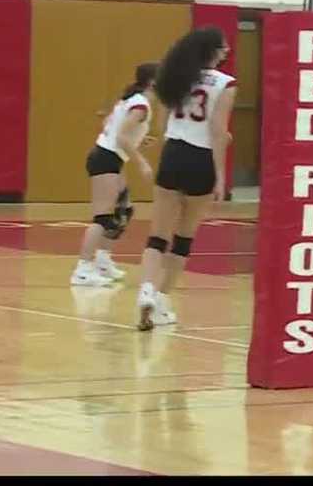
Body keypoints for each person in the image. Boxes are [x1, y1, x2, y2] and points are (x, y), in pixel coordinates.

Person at [136, 28, 235, 330]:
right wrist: (220, 177)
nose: (226, 52)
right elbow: (218, 132)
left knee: (157, 236)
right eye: (224, 48)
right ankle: (162, 301)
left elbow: (167, 123)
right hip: (201, 160)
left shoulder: (178, 75)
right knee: (183, 237)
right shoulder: (225, 84)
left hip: (173, 154)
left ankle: (146, 291)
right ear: (214, 51)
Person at [71, 63, 158, 287]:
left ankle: (102, 261)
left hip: (111, 157)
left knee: (124, 210)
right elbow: (120, 137)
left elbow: (111, 125)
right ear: (153, 82)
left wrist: (139, 139)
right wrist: (141, 162)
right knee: (102, 217)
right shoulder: (141, 106)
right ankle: (83, 269)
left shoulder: (133, 100)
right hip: (105, 158)